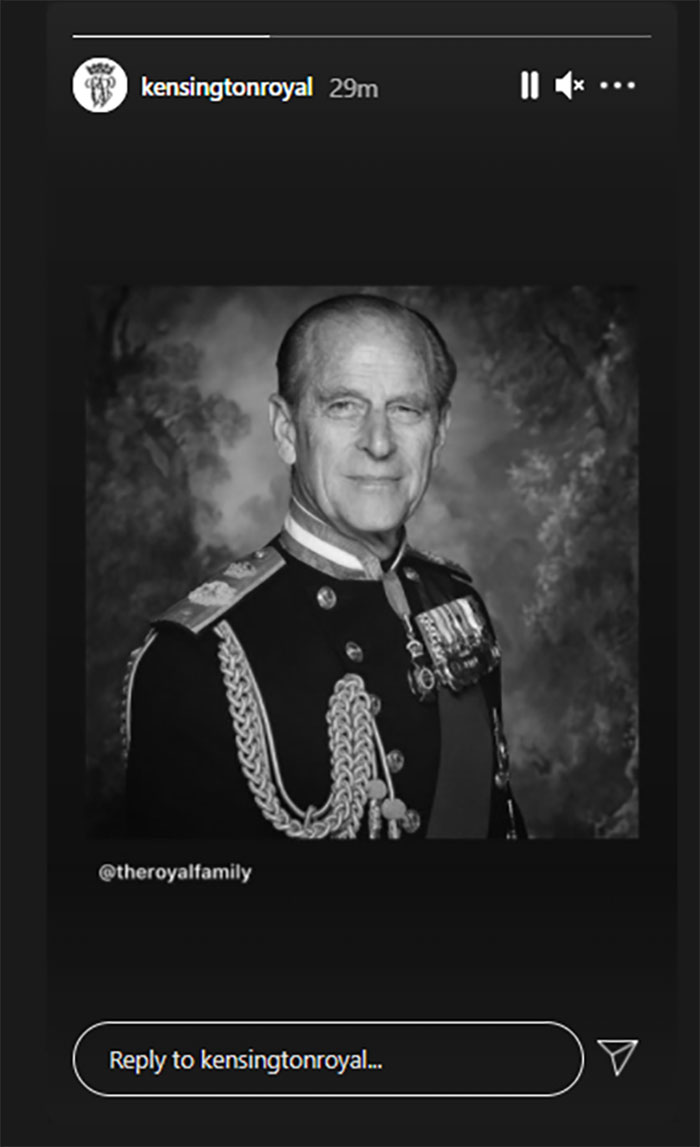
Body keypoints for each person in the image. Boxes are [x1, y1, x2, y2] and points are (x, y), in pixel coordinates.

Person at [124, 294, 527, 840]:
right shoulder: (193, 660)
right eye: (343, 406)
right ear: (286, 429)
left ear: (439, 433)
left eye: (406, 409)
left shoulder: (455, 604)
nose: (379, 443)